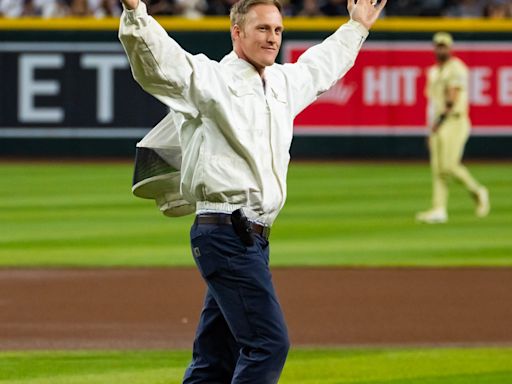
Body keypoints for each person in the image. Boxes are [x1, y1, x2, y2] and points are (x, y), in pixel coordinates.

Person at [119, 0, 386, 382]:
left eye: (277, 30)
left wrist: (357, 27)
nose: (272, 38)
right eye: (262, 29)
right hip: (225, 233)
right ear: (237, 32)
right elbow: (159, 64)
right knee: (268, 344)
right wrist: (136, 13)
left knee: (215, 360)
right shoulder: (211, 81)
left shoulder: (281, 84)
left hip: (250, 241)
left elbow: (321, 67)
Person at [416, 32, 489, 224]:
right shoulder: (433, 71)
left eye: (444, 45)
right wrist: (431, 126)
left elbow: (452, 97)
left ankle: (477, 190)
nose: (440, 49)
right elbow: (432, 102)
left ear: (450, 48)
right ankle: (439, 209)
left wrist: (438, 121)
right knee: (438, 169)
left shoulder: (456, 68)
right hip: (438, 123)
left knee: (449, 165)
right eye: (438, 45)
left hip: (454, 121)